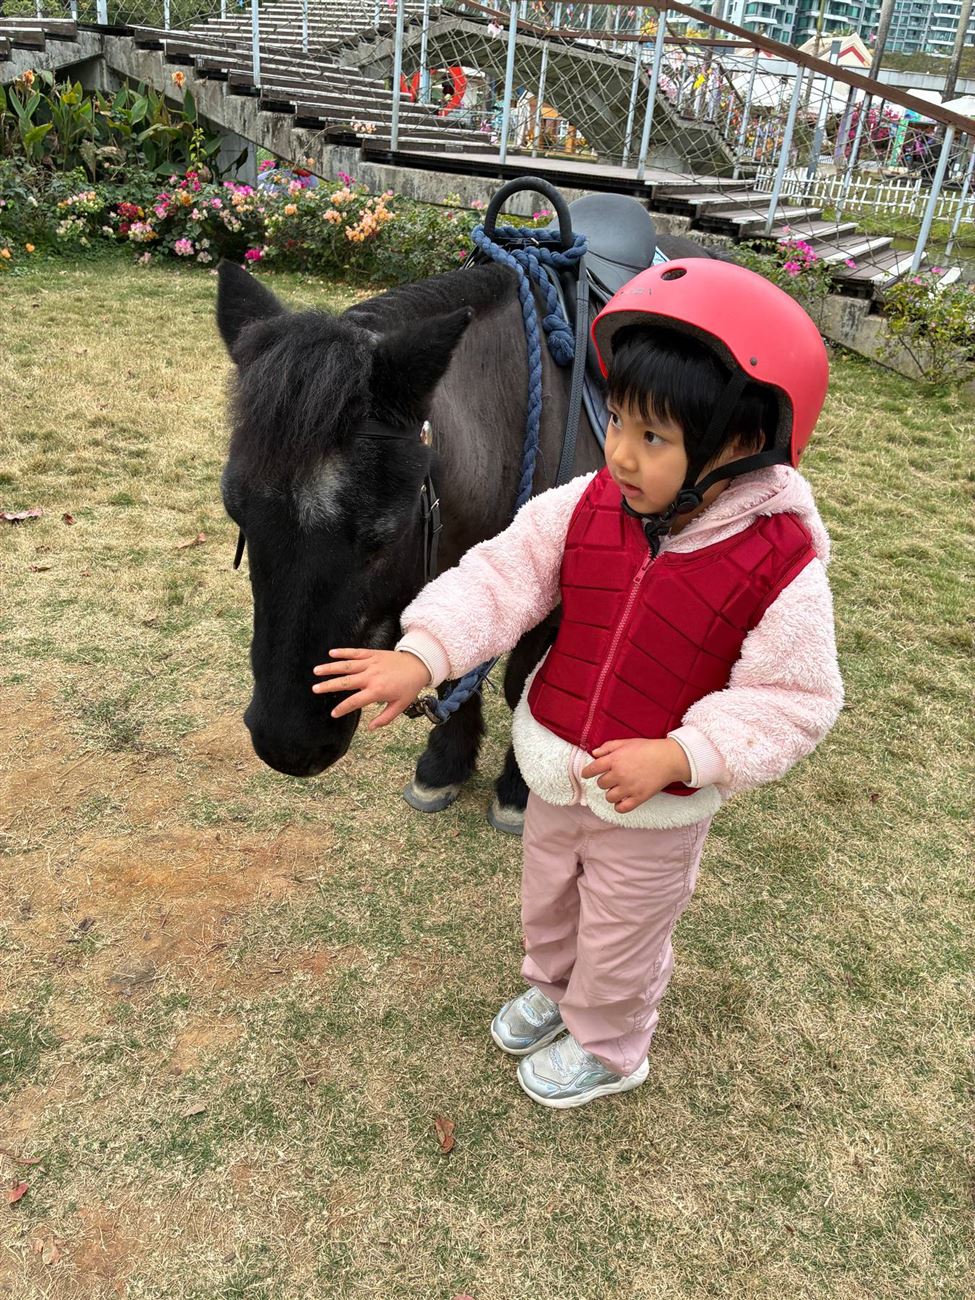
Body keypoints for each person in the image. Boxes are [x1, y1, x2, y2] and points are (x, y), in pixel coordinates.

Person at [312, 260, 844, 1109]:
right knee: (551, 900)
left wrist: (682, 754)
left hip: (652, 804)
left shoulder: (778, 563)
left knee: (622, 932)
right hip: (559, 768)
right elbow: (502, 574)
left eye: (652, 438)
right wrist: (424, 653)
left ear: (742, 444)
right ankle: (554, 989)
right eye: (617, 420)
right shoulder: (590, 503)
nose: (619, 453)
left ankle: (608, 1041)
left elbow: (795, 698)